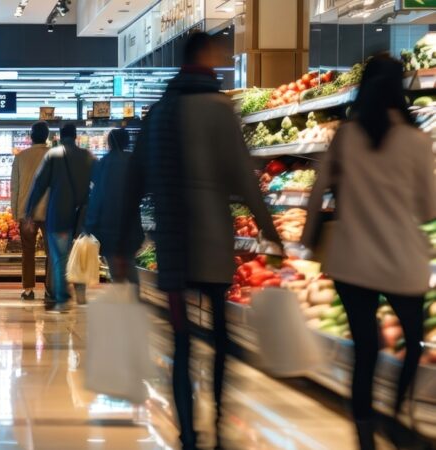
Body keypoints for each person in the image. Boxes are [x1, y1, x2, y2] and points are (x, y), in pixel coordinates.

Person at [137, 32, 283, 449]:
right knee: (220, 338)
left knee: (182, 342)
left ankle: (187, 430)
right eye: (218, 54)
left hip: (175, 247)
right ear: (204, 56)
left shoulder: (160, 113)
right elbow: (243, 176)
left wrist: (120, 240)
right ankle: (216, 424)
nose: (222, 60)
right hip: (215, 243)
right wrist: (269, 230)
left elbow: (137, 176)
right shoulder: (221, 110)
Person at [301, 55, 436, 450]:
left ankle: (365, 437)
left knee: (365, 352)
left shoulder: (346, 135)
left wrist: (308, 242)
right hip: (400, 260)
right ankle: (396, 418)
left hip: (351, 259)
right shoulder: (415, 140)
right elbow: (429, 208)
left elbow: (316, 195)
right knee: (413, 341)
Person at [25, 123, 95, 313]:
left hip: (58, 216)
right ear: (76, 137)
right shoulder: (87, 156)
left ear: (60, 136)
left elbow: (39, 184)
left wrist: (30, 211)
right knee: (80, 254)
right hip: (82, 218)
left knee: (59, 259)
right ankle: (80, 291)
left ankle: (62, 299)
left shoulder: (53, 155)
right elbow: (99, 184)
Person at [84, 128, 144, 284]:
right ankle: (133, 302)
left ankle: (121, 303)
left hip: (108, 226)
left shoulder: (103, 164)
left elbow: (97, 197)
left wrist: (89, 226)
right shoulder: (134, 161)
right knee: (130, 267)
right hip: (131, 225)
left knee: (117, 273)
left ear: (109, 143)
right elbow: (142, 191)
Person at [11, 122, 52, 300]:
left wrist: (15, 213)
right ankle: (51, 289)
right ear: (47, 136)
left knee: (28, 251)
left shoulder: (20, 157)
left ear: (30, 137)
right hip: (50, 212)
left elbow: (15, 188)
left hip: (27, 213)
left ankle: (28, 289)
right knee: (52, 252)